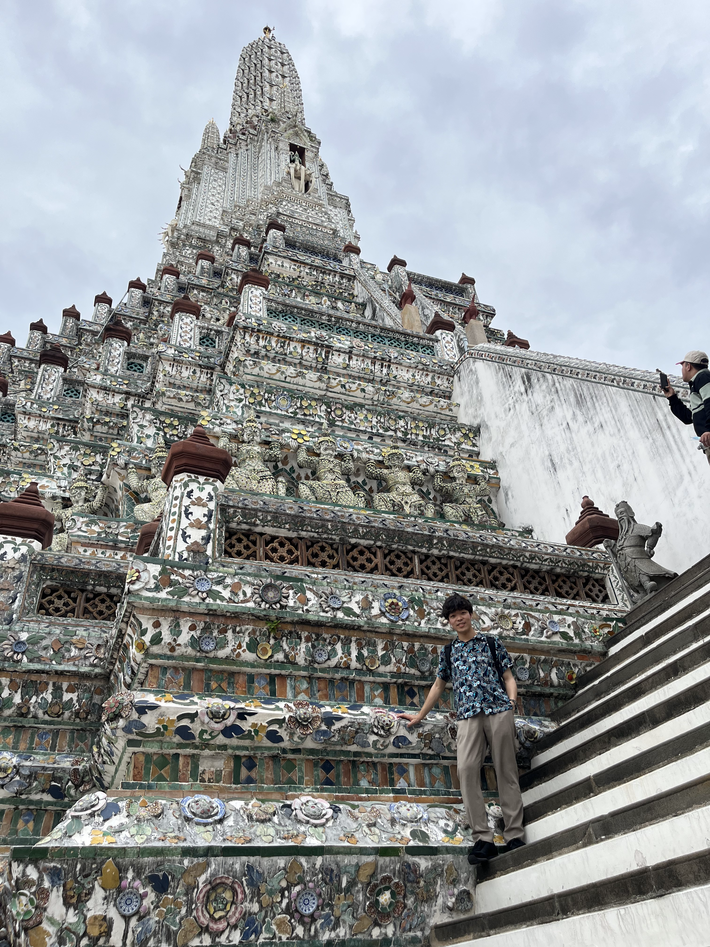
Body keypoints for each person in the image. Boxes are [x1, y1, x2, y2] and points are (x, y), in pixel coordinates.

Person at [398, 593, 524, 865]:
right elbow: (438, 686)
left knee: (506, 770)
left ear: (471, 614)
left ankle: (515, 832)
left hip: (498, 710)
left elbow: (508, 677)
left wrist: (511, 704)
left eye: (462, 613)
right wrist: (420, 715)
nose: (458, 619)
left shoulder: (491, 643)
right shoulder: (449, 651)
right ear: (449, 621)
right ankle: (483, 838)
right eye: (453, 616)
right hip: (467, 715)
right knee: (466, 771)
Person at [662, 350, 710, 462]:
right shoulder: (698, 383)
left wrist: (708, 429)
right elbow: (688, 418)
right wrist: (672, 397)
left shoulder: (703, 377)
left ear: (688, 366)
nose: (682, 370)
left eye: (682, 366)